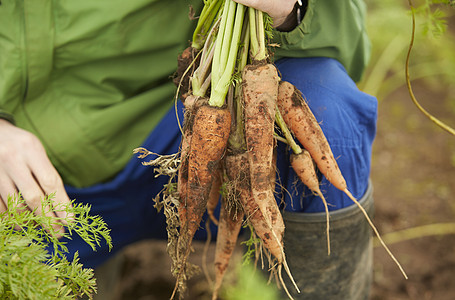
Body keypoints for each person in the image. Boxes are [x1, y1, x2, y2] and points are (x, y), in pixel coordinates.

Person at [0, 0, 377, 299]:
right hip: (26, 183)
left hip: (177, 128)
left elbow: (351, 44)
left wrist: (296, 11)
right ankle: (91, 272)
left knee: (329, 111)